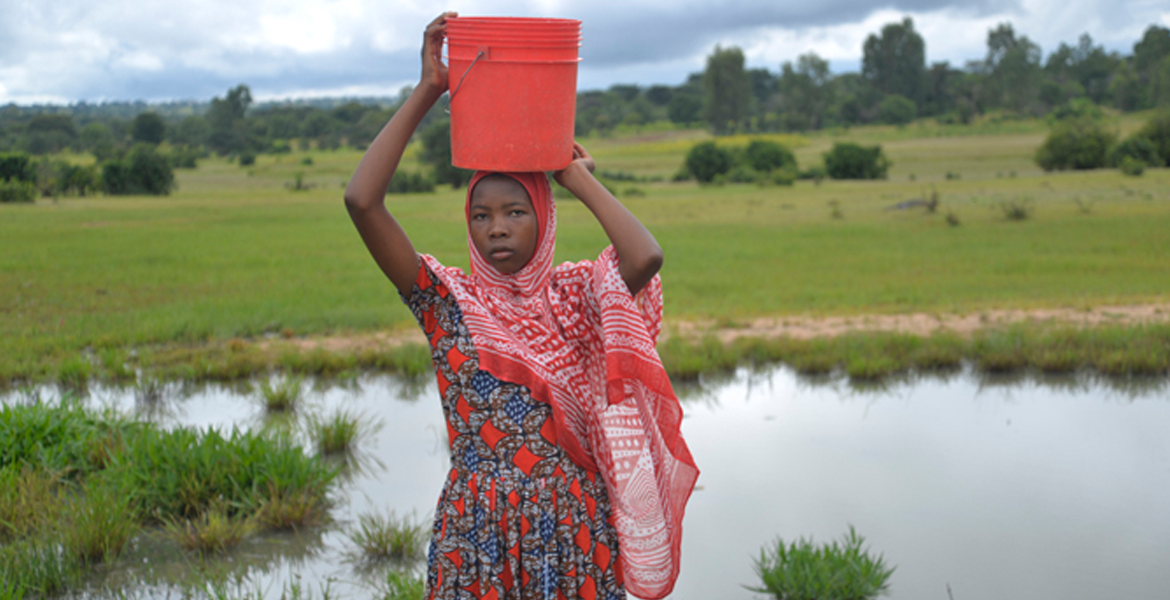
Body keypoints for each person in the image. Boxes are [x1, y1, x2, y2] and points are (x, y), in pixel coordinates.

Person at [344, 12, 698, 600]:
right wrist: (430, 88)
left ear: (544, 216)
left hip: (574, 530)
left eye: (515, 212)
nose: (496, 229)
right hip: (477, 535)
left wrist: (571, 175)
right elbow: (362, 201)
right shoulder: (447, 301)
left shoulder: (578, 296)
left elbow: (644, 257)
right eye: (481, 215)